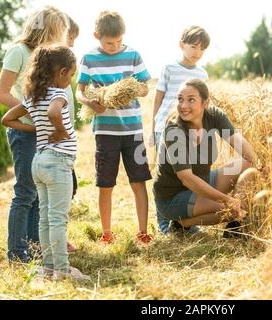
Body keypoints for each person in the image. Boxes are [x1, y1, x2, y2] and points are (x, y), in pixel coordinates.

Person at [1, 45, 90, 281]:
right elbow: (53, 112)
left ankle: (49, 267)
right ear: (61, 72)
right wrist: (60, 130)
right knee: (58, 219)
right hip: (58, 162)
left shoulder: (32, 97)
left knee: (45, 218)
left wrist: (34, 128)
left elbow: (6, 119)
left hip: (38, 162)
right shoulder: (58, 94)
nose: (70, 79)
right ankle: (62, 269)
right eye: (71, 75)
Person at [0, 6, 69, 263]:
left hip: (42, 133)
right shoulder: (19, 51)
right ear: (48, 29)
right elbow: (2, 93)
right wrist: (30, 112)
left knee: (39, 193)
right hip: (25, 132)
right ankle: (16, 252)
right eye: (58, 32)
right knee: (25, 192)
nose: (60, 38)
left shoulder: (47, 57)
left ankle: (35, 247)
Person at [76, 11, 153, 245]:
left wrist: (135, 89)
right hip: (105, 132)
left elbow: (145, 87)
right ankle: (106, 233)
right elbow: (79, 91)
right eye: (110, 42)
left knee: (138, 180)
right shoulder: (89, 59)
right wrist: (90, 102)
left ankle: (142, 231)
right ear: (97, 36)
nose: (115, 46)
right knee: (106, 183)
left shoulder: (133, 55)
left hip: (132, 130)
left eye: (119, 41)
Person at [153, 78, 260, 236]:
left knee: (249, 165)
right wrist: (227, 200)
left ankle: (236, 224)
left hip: (202, 181)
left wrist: (259, 165)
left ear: (205, 103)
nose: (183, 106)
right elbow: (186, 178)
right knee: (231, 209)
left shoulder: (214, 116)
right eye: (180, 99)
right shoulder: (174, 131)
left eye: (191, 100)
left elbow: (242, 146)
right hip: (173, 197)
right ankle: (181, 224)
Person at [150, 26, 210, 235]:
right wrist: (153, 127)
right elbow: (158, 98)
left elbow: (203, 105)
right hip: (165, 129)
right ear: (181, 45)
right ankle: (164, 224)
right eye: (193, 46)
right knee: (165, 177)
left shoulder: (202, 74)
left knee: (187, 174)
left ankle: (185, 222)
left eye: (202, 49)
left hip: (189, 131)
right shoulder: (169, 68)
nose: (197, 52)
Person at [64, 14, 80, 253]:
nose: (73, 44)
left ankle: (58, 236)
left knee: (71, 186)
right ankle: (54, 239)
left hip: (65, 147)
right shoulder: (54, 71)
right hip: (57, 146)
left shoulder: (62, 73)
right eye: (70, 38)